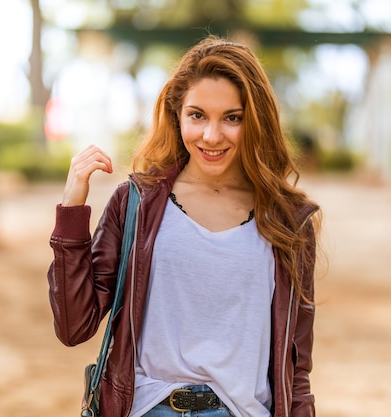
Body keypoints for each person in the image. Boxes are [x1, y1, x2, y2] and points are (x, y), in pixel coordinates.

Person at [47, 35, 321, 417]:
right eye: (197, 115)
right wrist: (72, 210)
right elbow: (74, 326)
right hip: (147, 408)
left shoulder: (289, 221)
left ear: (255, 120)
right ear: (177, 115)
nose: (211, 136)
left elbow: (297, 366)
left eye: (232, 117)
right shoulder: (136, 205)